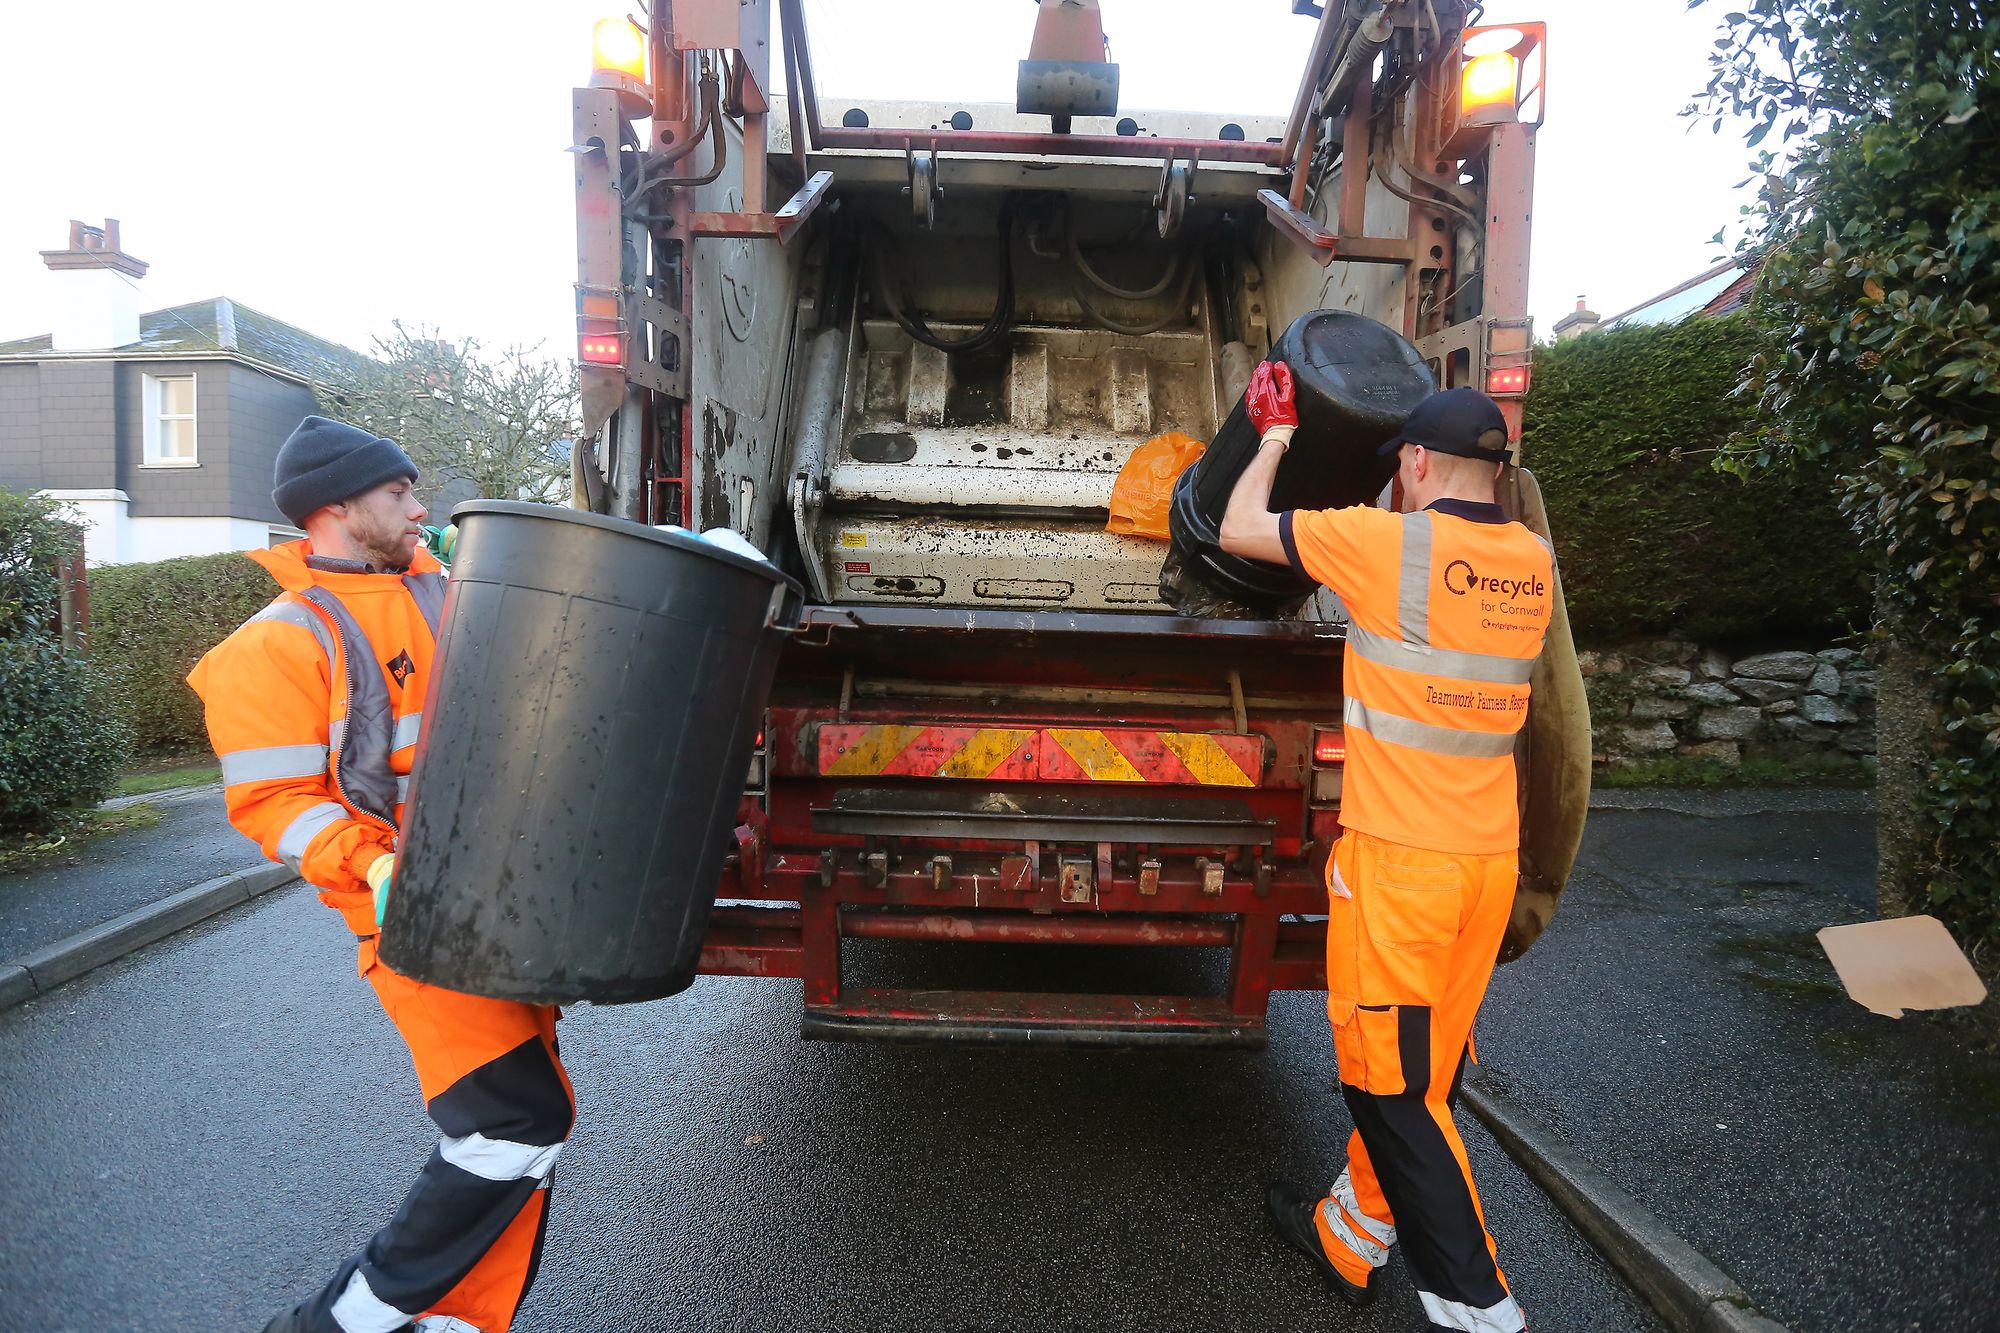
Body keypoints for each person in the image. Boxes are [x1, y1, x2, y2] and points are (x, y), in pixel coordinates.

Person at [188, 416, 574, 1333]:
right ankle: (342, 1324)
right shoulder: (273, 645)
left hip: (496, 899)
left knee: (528, 1122)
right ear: (334, 509)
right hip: (406, 915)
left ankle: (453, 1319)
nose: (419, 506)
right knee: (512, 1123)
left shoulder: (447, 590)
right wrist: (377, 863)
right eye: (398, 493)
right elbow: (275, 803)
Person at [1218, 365, 1552, 1333]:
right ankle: (1352, 1230)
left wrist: (1274, 435)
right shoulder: (1530, 559)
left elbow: (1239, 527)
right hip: (1483, 864)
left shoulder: (1380, 545)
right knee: (1427, 1066)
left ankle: (1476, 1305)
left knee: (1389, 1082)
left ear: (1409, 461)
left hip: (1400, 867)